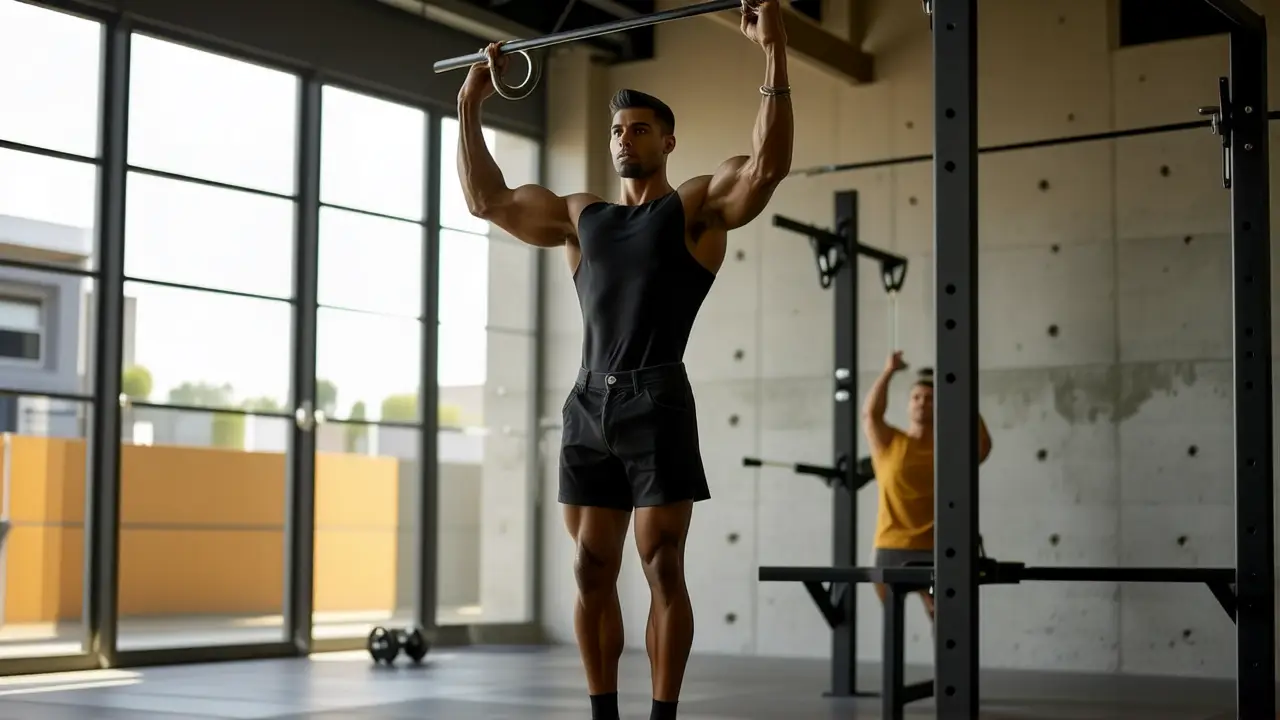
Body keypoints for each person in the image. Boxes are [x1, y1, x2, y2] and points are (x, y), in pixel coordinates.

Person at [453, 2, 793, 718]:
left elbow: (766, 167)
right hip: (587, 405)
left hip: (657, 400)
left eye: (639, 128)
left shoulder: (694, 208)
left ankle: (663, 714)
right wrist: (470, 104)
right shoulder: (583, 217)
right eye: (616, 129)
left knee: (662, 564)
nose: (623, 138)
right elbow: (487, 200)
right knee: (589, 567)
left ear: (668, 141)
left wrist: (774, 51)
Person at [861, 351, 993, 623]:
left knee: (944, 621)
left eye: (930, 398)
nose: (922, 403)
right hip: (891, 547)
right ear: (908, 405)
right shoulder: (890, 443)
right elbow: (870, 415)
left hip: (937, 549)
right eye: (916, 398)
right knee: (892, 622)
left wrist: (963, 393)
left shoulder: (948, 451)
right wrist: (888, 371)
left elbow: (982, 445)